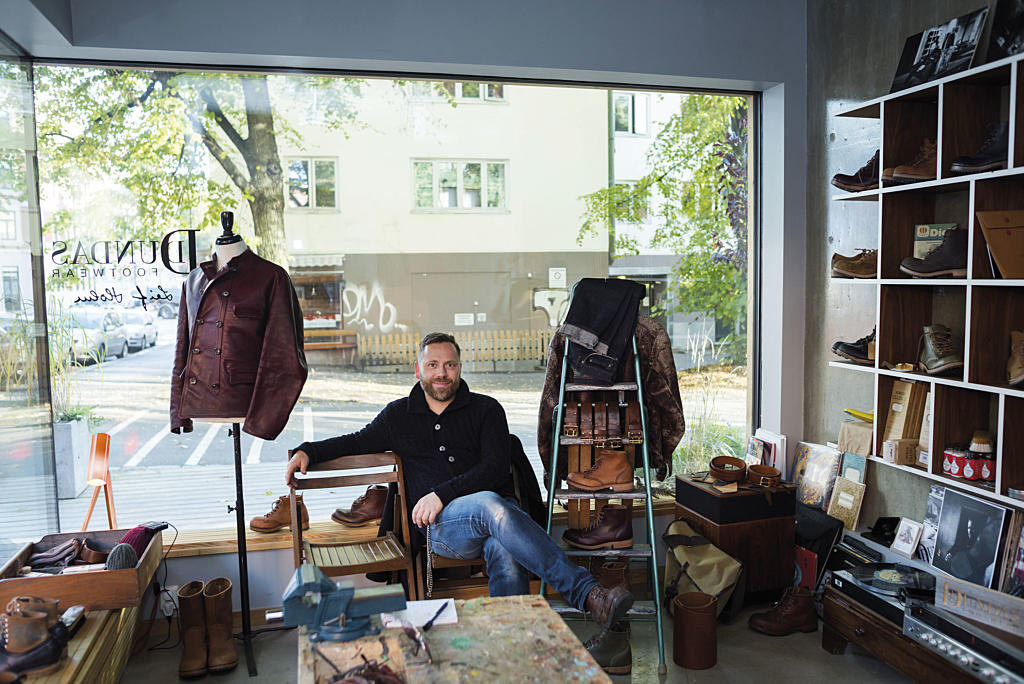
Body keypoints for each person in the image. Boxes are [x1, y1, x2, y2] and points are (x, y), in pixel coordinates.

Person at [285, 332, 633, 629]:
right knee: (490, 506)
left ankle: (508, 641)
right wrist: (307, 451)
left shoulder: (487, 410)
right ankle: (587, 593)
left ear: (460, 369)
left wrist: (440, 492)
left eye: (449, 365)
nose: (442, 373)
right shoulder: (398, 416)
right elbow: (355, 442)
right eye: (433, 365)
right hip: (442, 529)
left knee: (503, 544)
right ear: (418, 369)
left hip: (496, 517)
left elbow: (495, 468)